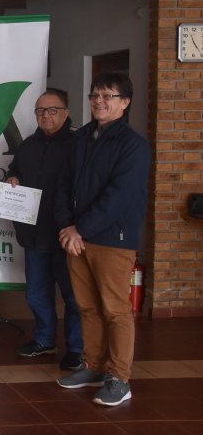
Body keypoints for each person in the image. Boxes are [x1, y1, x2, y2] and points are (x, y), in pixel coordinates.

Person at [55, 73, 151, 407]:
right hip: (77, 239)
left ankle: (118, 378)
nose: (100, 101)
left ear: (125, 103)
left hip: (112, 239)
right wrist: (68, 226)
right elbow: (64, 185)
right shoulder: (81, 138)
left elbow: (119, 196)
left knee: (115, 310)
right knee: (86, 307)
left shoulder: (132, 144)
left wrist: (80, 229)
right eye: (96, 94)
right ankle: (93, 365)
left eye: (108, 96)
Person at [6, 89, 83, 371]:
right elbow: (14, 171)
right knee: (36, 293)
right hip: (34, 233)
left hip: (67, 235)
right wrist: (12, 178)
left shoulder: (79, 145)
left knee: (73, 296)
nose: (45, 116)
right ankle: (44, 339)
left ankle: (76, 348)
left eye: (52, 110)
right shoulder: (27, 146)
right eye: (40, 111)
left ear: (66, 112)